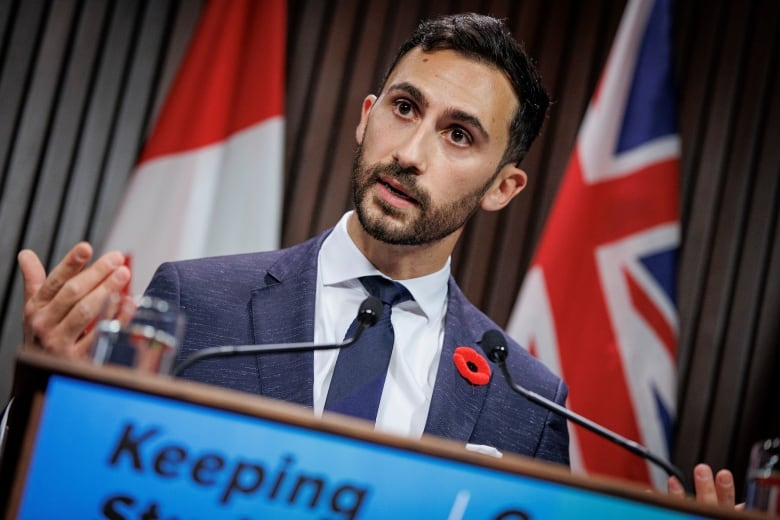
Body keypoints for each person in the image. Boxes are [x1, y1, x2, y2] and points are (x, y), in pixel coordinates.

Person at [17, 12, 737, 509]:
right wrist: (46, 392)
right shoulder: (199, 302)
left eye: (458, 135)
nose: (410, 153)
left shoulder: (527, 399)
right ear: (366, 116)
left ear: (503, 187)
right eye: (404, 108)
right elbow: (82, 489)